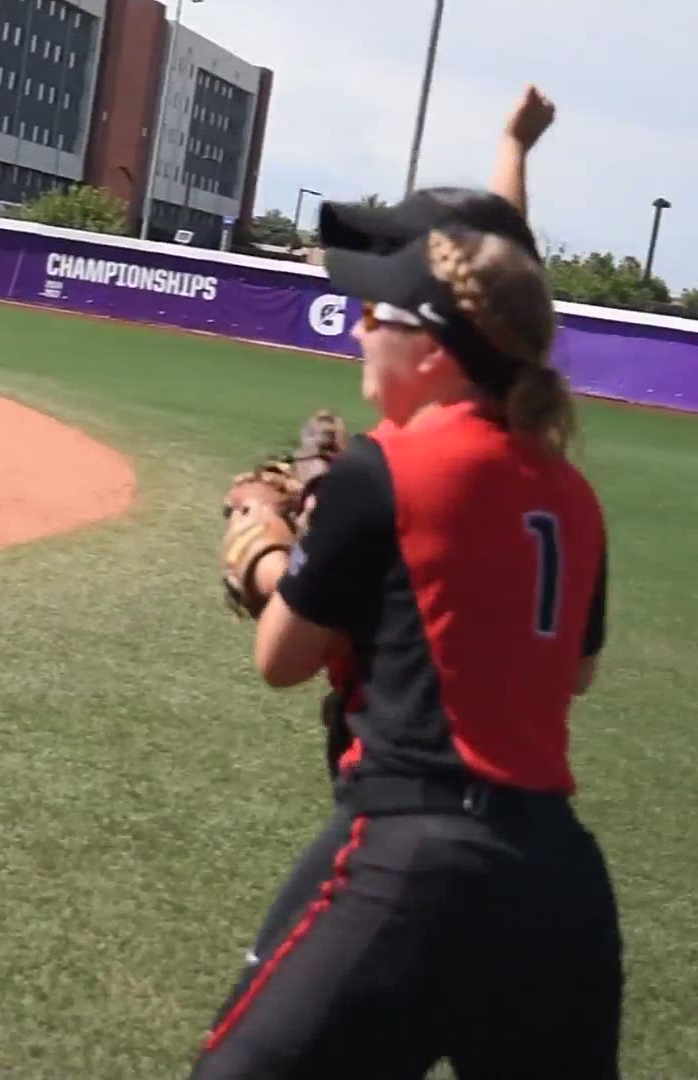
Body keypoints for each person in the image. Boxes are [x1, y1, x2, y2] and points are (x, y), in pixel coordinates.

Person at [194, 86, 624, 1079]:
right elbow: (575, 673)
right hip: (558, 882)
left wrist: (261, 539)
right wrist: (512, 151)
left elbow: (281, 660)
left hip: (420, 853)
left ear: (431, 346)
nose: (353, 326)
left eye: (371, 309)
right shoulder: (569, 488)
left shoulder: (388, 470)